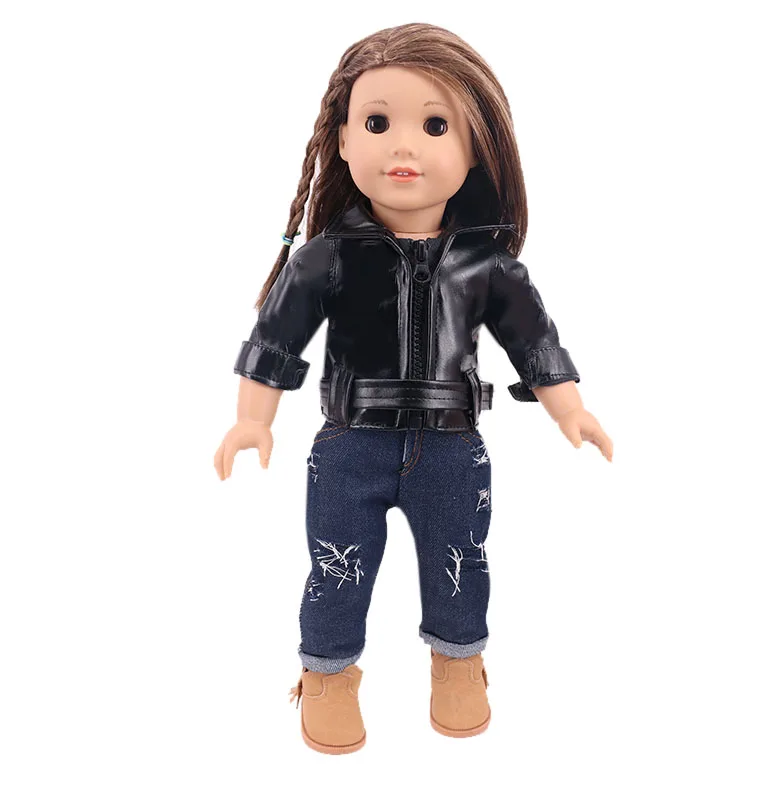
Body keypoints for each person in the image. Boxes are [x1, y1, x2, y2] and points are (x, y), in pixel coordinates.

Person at [214, 22, 613, 755]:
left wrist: (570, 406)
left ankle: (458, 664)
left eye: (435, 126)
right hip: (349, 445)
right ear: (341, 140)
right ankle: (327, 674)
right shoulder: (327, 257)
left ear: (476, 148)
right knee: (337, 565)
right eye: (377, 123)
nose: (405, 147)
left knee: (460, 561)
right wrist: (252, 418)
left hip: (453, 446)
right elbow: (275, 336)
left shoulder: (486, 264)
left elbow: (532, 337)